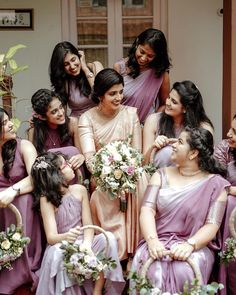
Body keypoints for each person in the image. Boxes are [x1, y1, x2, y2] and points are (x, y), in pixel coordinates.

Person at [130, 127, 229, 293]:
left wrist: (190, 245)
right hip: (157, 240)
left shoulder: (216, 185)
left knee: (184, 269)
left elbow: (212, 225)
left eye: (180, 142)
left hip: (194, 244)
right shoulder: (160, 175)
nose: (173, 145)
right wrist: (152, 240)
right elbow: (147, 210)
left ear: (193, 154)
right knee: (149, 264)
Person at [31, 152, 125, 295]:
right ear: (56, 175)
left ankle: (98, 290)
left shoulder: (80, 190)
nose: (71, 166)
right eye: (66, 165)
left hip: (84, 240)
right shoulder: (46, 200)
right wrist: (67, 236)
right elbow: (51, 237)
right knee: (57, 252)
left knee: (108, 238)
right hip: (62, 244)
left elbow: (88, 225)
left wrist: (86, 245)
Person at [78, 68, 147, 263]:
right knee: (102, 192)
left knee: (140, 177)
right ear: (100, 95)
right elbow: (90, 157)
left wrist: (125, 174)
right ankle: (115, 252)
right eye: (112, 94)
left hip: (130, 172)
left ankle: (136, 251)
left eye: (120, 92)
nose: (119, 98)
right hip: (102, 175)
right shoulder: (87, 119)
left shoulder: (131, 114)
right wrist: (110, 177)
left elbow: (137, 154)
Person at [0, 107, 43, 294]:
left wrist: (13, 190)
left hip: (22, 202)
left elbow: (36, 176)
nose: (11, 124)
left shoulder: (24, 145)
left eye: (10, 120)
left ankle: (24, 266)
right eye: (4, 123)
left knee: (22, 200)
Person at [143, 80, 214, 167]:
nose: (167, 103)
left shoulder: (203, 127)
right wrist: (153, 147)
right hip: (156, 176)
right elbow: (143, 164)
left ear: (185, 109)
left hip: (189, 177)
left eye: (174, 102)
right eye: (168, 97)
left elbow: (206, 164)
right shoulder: (153, 120)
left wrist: (184, 145)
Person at [114, 28, 171, 124]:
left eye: (150, 56)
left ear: (157, 56)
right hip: (121, 125)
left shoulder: (161, 74)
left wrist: (150, 123)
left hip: (146, 127)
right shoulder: (119, 67)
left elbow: (165, 104)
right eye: (142, 52)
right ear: (137, 43)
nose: (143, 58)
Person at [28, 88, 85, 183]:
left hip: (74, 174)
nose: (61, 113)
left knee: (72, 151)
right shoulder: (33, 132)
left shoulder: (73, 123)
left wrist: (81, 157)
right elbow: (34, 165)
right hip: (51, 180)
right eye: (54, 112)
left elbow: (81, 153)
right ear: (42, 117)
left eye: (61, 107)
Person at [49, 41, 103, 118]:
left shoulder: (95, 67)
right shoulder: (65, 82)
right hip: (78, 124)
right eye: (66, 64)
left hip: (100, 120)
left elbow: (101, 95)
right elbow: (61, 114)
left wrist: (85, 69)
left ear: (79, 56)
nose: (72, 66)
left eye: (73, 60)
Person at [214, 114, 236, 295]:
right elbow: (218, 183)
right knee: (229, 203)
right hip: (227, 206)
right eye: (230, 128)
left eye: (234, 132)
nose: (228, 133)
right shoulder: (224, 148)